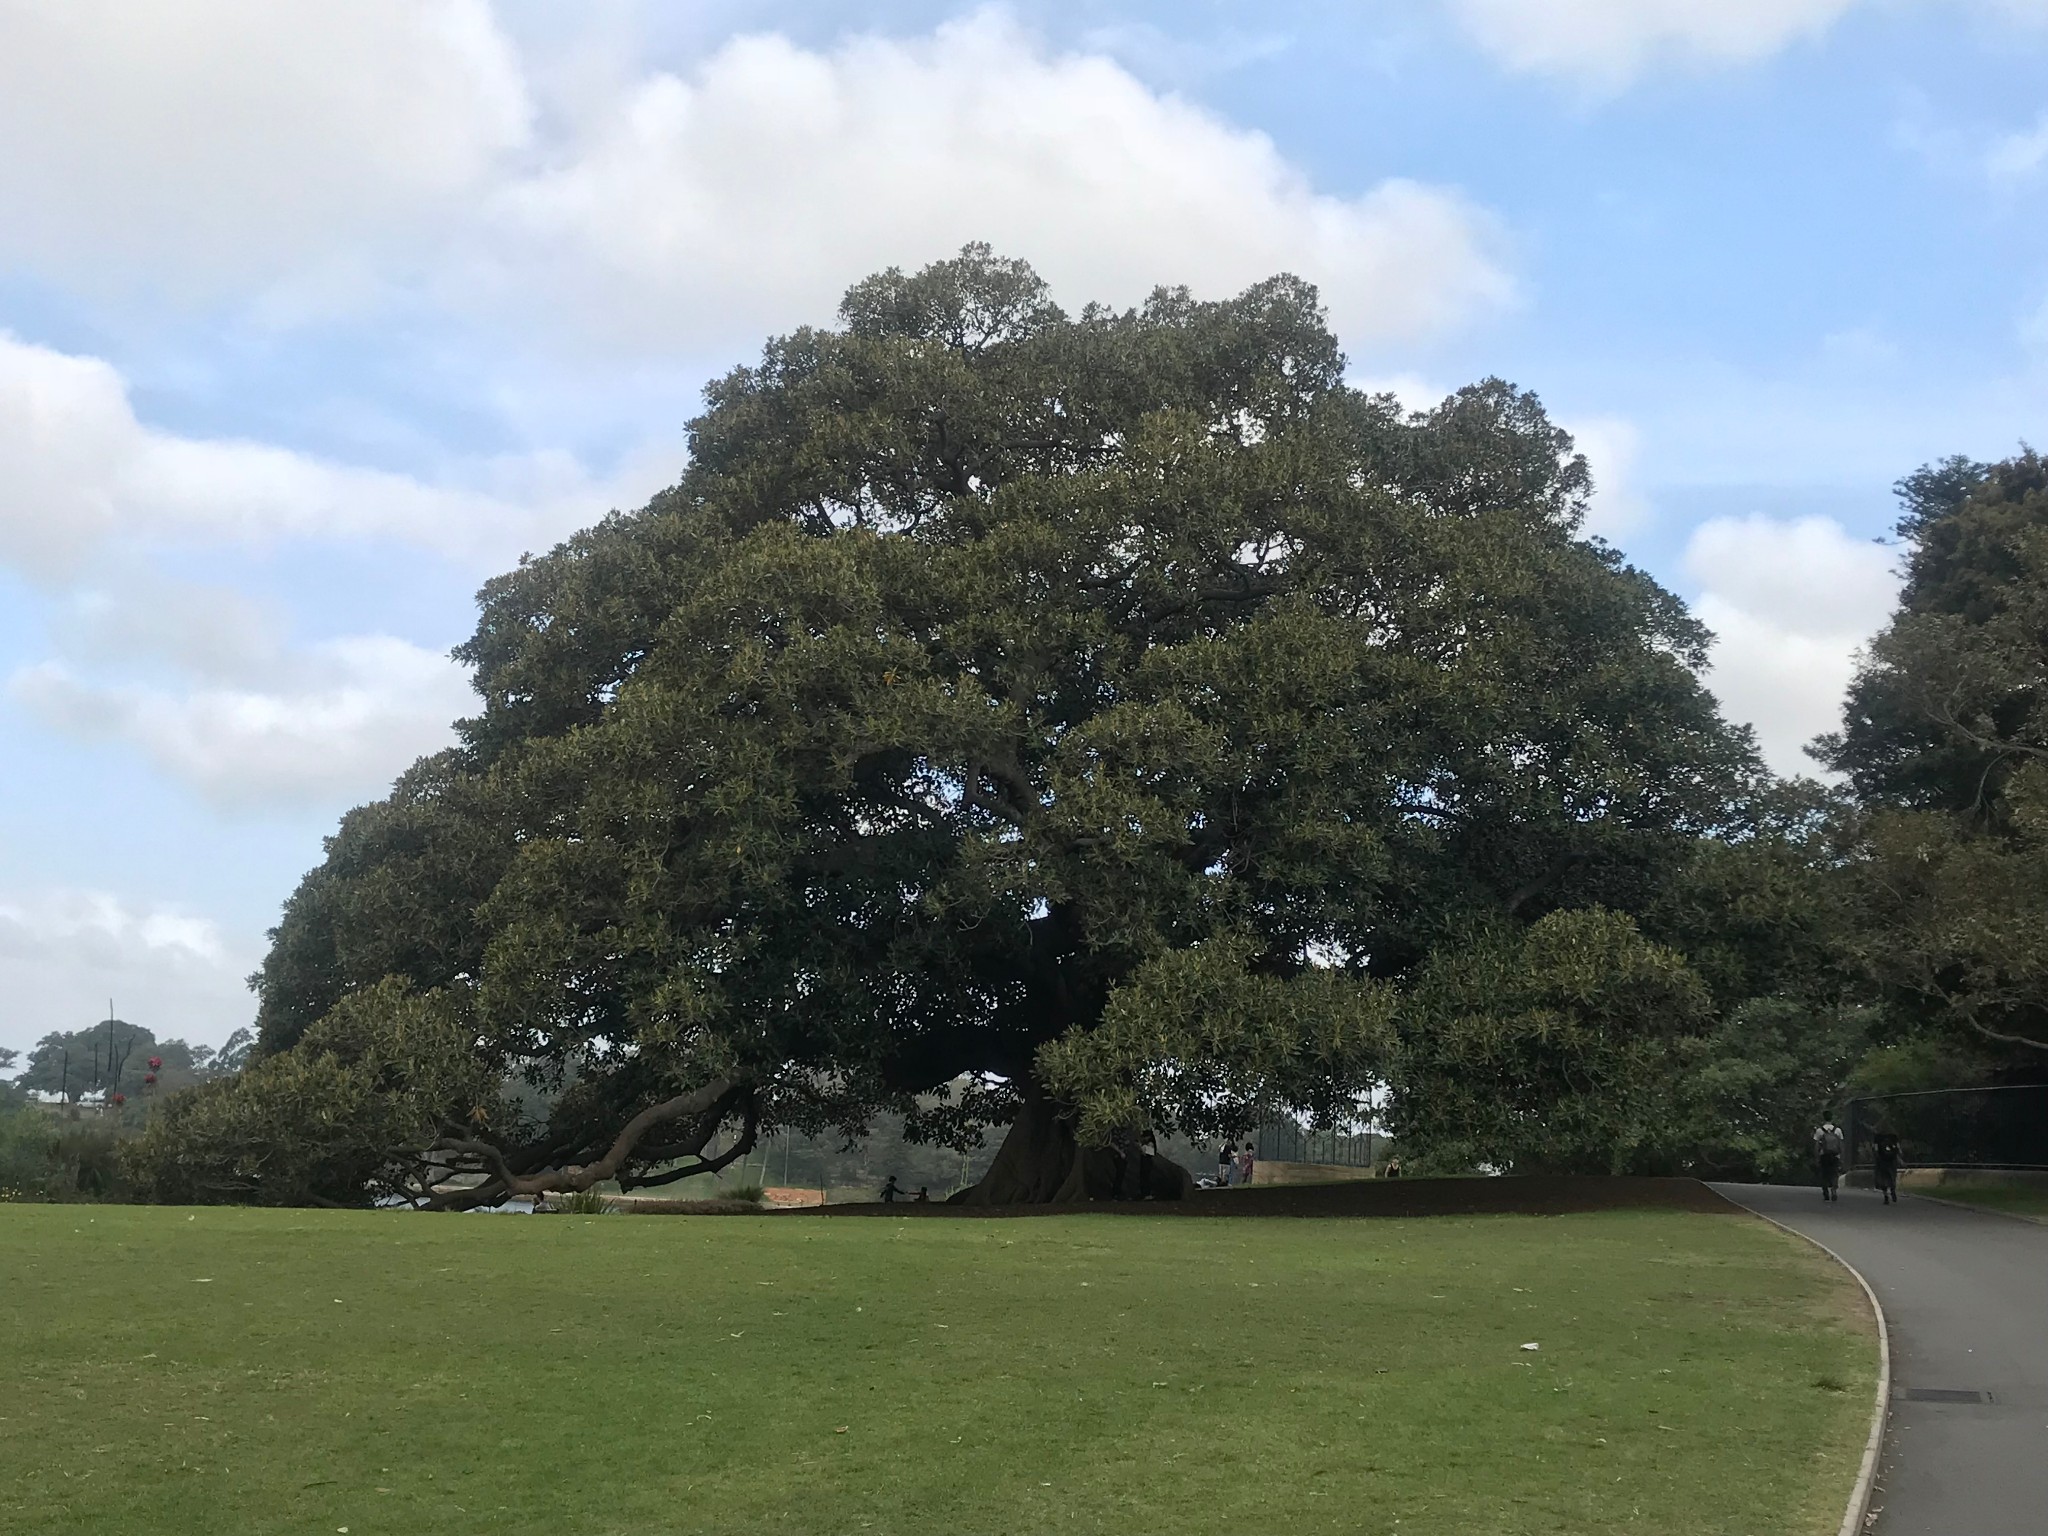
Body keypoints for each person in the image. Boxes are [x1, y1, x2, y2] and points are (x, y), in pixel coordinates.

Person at [1813, 1119, 1846, 1202]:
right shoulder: (1838, 1130)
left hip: (1824, 1156)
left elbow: (1816, 1146)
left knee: (1824, 1175)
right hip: (1835, 1156)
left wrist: (1816, 1158)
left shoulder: (1819, 1130)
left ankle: (1825, 1193)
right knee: (1834, 1174)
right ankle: (1834, 1189)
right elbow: (1841, 1145)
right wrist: (1842, 1157)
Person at [1872, 1130, 1902, 1205]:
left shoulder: (1878, 1137)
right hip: (1892, 1160)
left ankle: (1886, 1196)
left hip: (1882, 1160)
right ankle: (1892, 1189)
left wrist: (1876, 1158)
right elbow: (1898, 1148)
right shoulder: (1893, 1136)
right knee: (1892, 1176)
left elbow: (1875, 1149)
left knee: (1882, 1179)